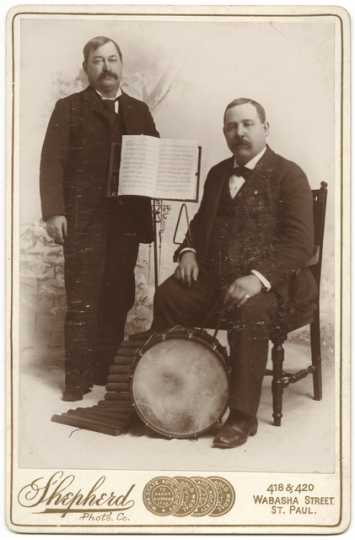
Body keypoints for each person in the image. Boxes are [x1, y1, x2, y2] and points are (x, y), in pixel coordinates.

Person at [152, 98, 317, 449]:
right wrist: (189, 251)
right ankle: (171, 389)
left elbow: (301, 244)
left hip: (278, 286)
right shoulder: (216, 174)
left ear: (265, 128)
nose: (239, 133)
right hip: (218, 280)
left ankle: (242, 417)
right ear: (224, 132)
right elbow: (199, 226)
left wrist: (258, 279)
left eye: (247, 124)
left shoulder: (290, 175)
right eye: (231, 126)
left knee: (249, 309)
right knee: (169, 295)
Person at [40, 36, 159, 401]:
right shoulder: (69, 108)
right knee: (82, 297)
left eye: (112, 59)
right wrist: (55, 212)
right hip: (83, 218)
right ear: (86, 68)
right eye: (97, 61)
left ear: (122, 65)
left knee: (117, 295)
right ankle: (76, 379)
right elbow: (51, 162)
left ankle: (105, 369)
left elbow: (154, 157)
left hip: (125, 221)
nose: (106, 67)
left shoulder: (139, 110)